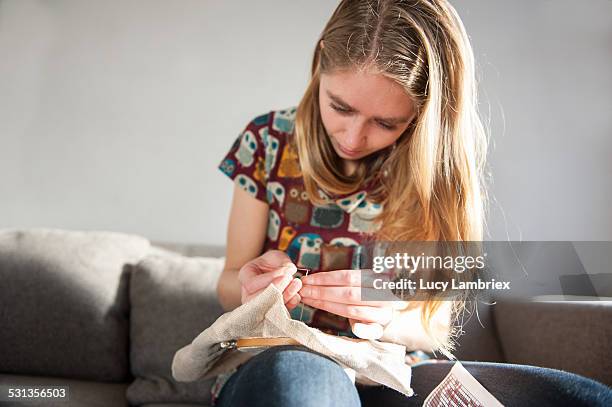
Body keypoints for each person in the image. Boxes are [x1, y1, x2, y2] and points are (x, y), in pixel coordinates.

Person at [213, 1, 612, 406]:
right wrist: (251, 285)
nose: (352, 138)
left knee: (580, 398)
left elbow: (433, 326)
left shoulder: (437, 170)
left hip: (389, 369)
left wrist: (387, 318)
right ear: (319, 64)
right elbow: (228, 286)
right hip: (281, 358)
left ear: (423, 115)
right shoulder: (268, 141)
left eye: (385, 123)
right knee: (307, 386)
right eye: (340, 107)